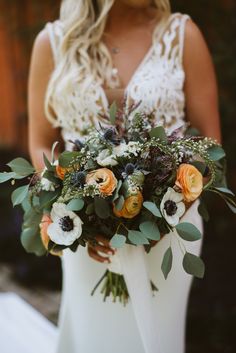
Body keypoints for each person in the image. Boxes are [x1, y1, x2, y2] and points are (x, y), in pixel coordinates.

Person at [28, 0, 221, 352]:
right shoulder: (54, 42)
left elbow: (209, 142)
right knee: (95, 337)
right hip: (86, 236)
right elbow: (41, 140)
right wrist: (74, 211)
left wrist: (165, 214)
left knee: (158, 338)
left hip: (172, 229)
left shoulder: (181, 35)